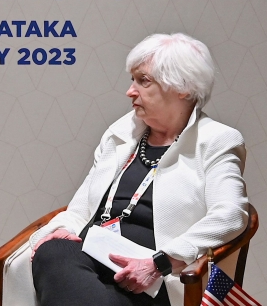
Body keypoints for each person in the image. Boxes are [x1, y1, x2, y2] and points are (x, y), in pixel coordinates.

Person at [29, 33, 249, 306]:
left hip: (153, 279)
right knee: (55, 251)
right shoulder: (120, 134)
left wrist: (158, 263)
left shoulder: (216, 140)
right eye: (132, 80)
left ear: (182, 87)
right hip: (93, 261)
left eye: (143, 81)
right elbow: (80, 209)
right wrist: (60, 229)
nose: (130, 91)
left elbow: (230, 215)